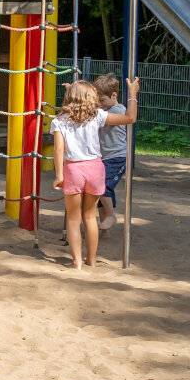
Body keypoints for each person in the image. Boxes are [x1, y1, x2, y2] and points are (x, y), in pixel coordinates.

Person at [52, 77, 140, 268]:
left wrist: (59, 174)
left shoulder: (59, 121)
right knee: (90, 216)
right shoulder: (98, 115)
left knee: (74, 220)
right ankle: (91, 260)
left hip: (73, 169)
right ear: (91, 98)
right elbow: (130, 118)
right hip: (95, 168)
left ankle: (77, 262)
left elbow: (59, 149)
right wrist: (132, 95)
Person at [91, 74, 131, 232]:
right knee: (99, 190)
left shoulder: (118, 110)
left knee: (104, 186)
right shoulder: (103, 110)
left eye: (102, 100)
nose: (99, 104)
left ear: (114, 95)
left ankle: (111, 215)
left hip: (118, 157)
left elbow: (100, 118)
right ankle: (105, 222)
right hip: (104, 157)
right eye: (97, 101)